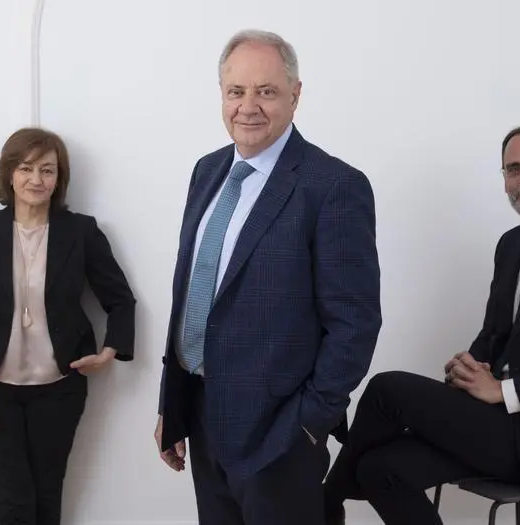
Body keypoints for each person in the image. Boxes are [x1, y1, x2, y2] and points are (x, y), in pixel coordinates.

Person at [322, 123, 520, 525]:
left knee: (387, 389)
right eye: (514, 169)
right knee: (380, 469)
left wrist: (503, 391)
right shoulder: (511, 245)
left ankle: (325, 502)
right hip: (507, 427)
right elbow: (495, 337)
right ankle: (329, 499)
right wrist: (469, 367)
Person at [154, 29, 381, 525]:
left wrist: (307, 425)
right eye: (236, 91)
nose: (248, 106)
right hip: (202, 414)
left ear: (295, 95)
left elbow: (355, 323)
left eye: (267, 91)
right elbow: (193, 294)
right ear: (221, 94)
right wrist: (173, 404)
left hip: (280, 435)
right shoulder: (207, 171)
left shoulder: (334, 186)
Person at [0, 127, 136, 525]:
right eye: (26, 168)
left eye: (47, 170)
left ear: (59, 178)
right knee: (13, 506)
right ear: (9, 174)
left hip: (59, 391)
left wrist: (108, 353)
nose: (36, 179)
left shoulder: (80, 232)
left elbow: (120, 300)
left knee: (47, 502)